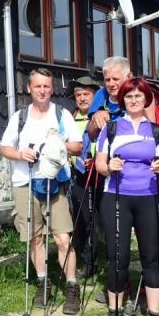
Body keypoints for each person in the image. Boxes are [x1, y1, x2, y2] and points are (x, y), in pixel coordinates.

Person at [0, 68, 83, 314]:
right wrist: (21, 154)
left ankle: (71, 286)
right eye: (38, 86)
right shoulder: (20, 117)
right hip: (25, 182)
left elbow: (78, 146)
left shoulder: (61, 114)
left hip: (55, 182)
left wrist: (57, 146)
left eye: (46, 86)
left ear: (52, 88)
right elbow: (4, 148)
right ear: (29, 88)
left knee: (63, 238)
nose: (42, 90)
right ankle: (42, 282)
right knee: (35, 237)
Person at [95, 77, 159, 316]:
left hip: (149, 197)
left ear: (146, 99)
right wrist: (109, 167)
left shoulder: (156, 130)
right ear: (123, 100)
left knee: (151, 256)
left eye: (139, 96)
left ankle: (154, 315)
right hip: (116, 197)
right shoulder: (112, 128)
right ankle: (114, 312)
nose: (134, 100)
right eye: (129, 96)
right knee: (118, 256)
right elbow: (100, 164)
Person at [65, 75, 102, 279]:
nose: (82, 98)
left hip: (101, 173)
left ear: (95, 96)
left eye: (86, 94)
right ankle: (88, 262)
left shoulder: (100, 117)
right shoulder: (70, 118)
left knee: (101, 219)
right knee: (82, 220)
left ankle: (102, 260)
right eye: (78, 95)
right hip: (78, 175)